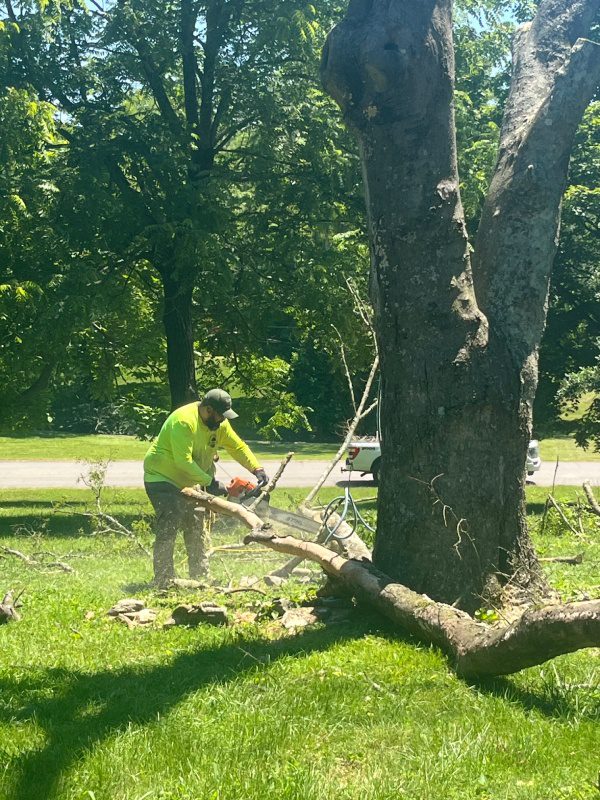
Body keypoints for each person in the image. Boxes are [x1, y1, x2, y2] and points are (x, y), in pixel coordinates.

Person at [143, 389, 268, 586]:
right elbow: (182, 461)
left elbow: (238, 446)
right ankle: (163, 579)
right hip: (162, 477)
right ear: (208, 410)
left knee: (195, 524)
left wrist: (257, 468)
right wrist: (209, 483)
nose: (222, 421)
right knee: (170, 522)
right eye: (220, 415)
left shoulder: (220, 424)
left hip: (190, 479)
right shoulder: (184, 421)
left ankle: (200, 577)